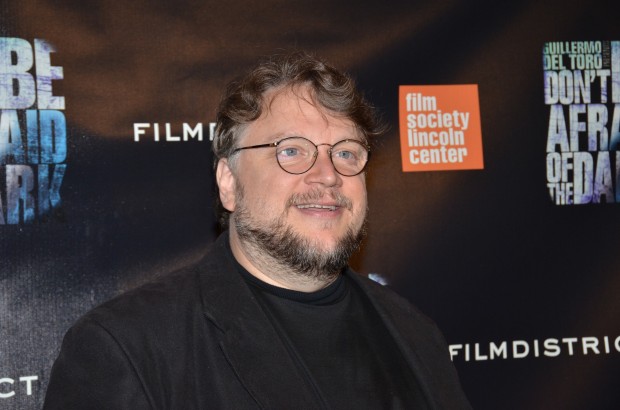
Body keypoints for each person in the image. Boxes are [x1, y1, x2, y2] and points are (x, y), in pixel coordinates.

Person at [43, 51, 471, 409]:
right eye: (291, 150)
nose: (327, 175)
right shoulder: (127, 349)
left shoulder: (414, 333)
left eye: (346, 152)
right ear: (229, 183)